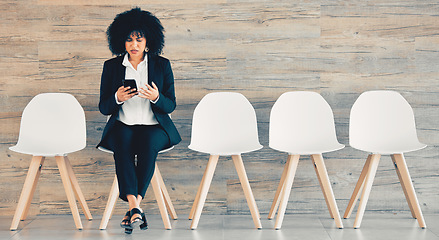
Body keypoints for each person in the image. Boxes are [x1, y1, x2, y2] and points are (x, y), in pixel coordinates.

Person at [97, 7, 181, 234]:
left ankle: (133, 207)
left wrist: (156, 97)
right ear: (121, 43)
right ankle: (136, 208)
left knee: (147, 144)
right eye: (129, 40)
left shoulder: (162, 65)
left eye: (139, 39)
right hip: (123, 125)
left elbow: (171, 104)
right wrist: (117, 97)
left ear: (148, 41)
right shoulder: (111, 67)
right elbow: (104, 107)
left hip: (155, 127)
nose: (134, 44)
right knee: (121, 144)